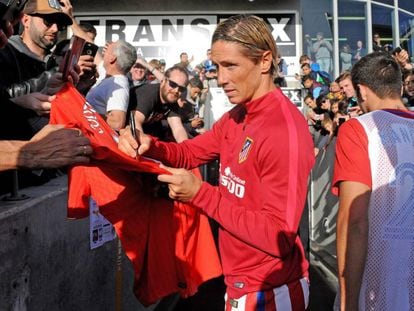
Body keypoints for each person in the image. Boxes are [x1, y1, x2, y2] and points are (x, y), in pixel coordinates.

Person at [119, 14, 314, 310]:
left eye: (230, 66)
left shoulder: (283, 130)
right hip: (240, 283)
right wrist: (150, 145)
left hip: (271, 290)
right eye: (217, 67)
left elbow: (279, 238)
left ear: (264, 61)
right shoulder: (238, 115)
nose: (221, 79)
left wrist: (200, 194)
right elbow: (188, 153)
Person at [333, 51, 412, 311]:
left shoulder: (358, 129)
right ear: (400, 87)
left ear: (362, 91)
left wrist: (348, 303)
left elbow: (353, 220)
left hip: (380, 289)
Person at [129, 65, 189, 143]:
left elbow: (178, 129)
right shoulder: (149, 93)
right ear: (163, 81)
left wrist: (186, 148)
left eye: (181, 88)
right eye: (173, 84)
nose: (176, 90)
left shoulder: (172, 99)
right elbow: (135, 121)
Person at [86, 40, 136, 131]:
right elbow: (88, 41)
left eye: (108, 48)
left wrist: (86, 112)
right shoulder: (107, 74)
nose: (104, 49)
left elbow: (117, 123)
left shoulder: (119, 85)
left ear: (112, 58)